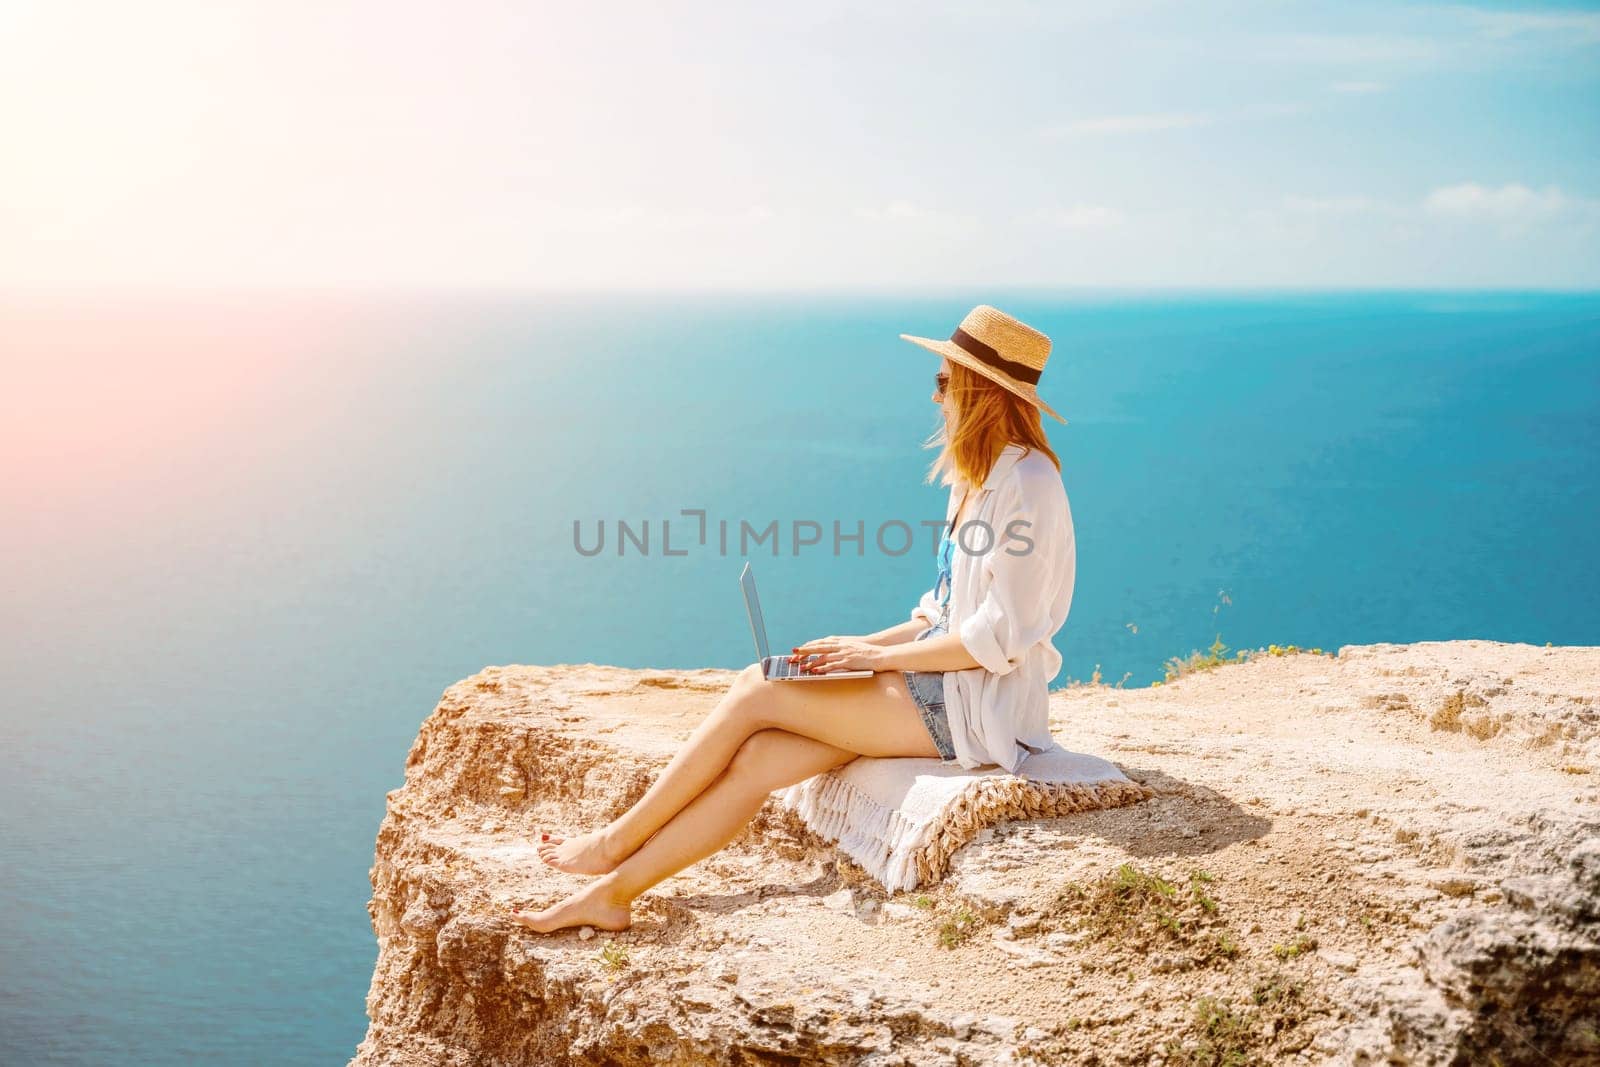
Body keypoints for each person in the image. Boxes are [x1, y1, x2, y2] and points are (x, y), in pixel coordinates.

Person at [512, 304, 1076, 934]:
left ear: (978, 390)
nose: (936, 394)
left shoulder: (1029, 483)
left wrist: (877, 660)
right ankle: (614, 894)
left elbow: (997, 637)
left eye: (945, 381)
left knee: (758, 686)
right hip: (938, 685)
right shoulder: (977, 476)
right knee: (757, 759)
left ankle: (613, 843)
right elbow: (941, 612)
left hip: (975, 708)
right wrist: (859, 645)